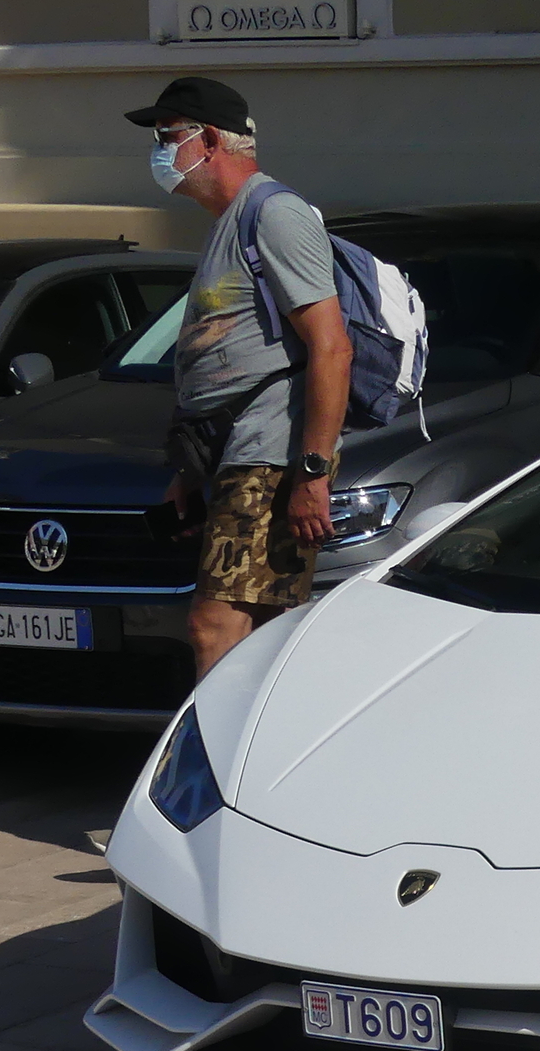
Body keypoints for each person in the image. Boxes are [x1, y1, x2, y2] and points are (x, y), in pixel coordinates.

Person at [127, 75, 353, 676]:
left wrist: (312, 473)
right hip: (234, 458)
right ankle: (263, 758)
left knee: (214, 626)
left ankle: (213, 767)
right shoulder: (228, 222)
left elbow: (331, 349)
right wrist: (192, 470)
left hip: (270, 458)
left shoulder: (274, 215)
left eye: (167, 135)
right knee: (265, 635)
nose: (159, 150)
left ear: (207, 141)